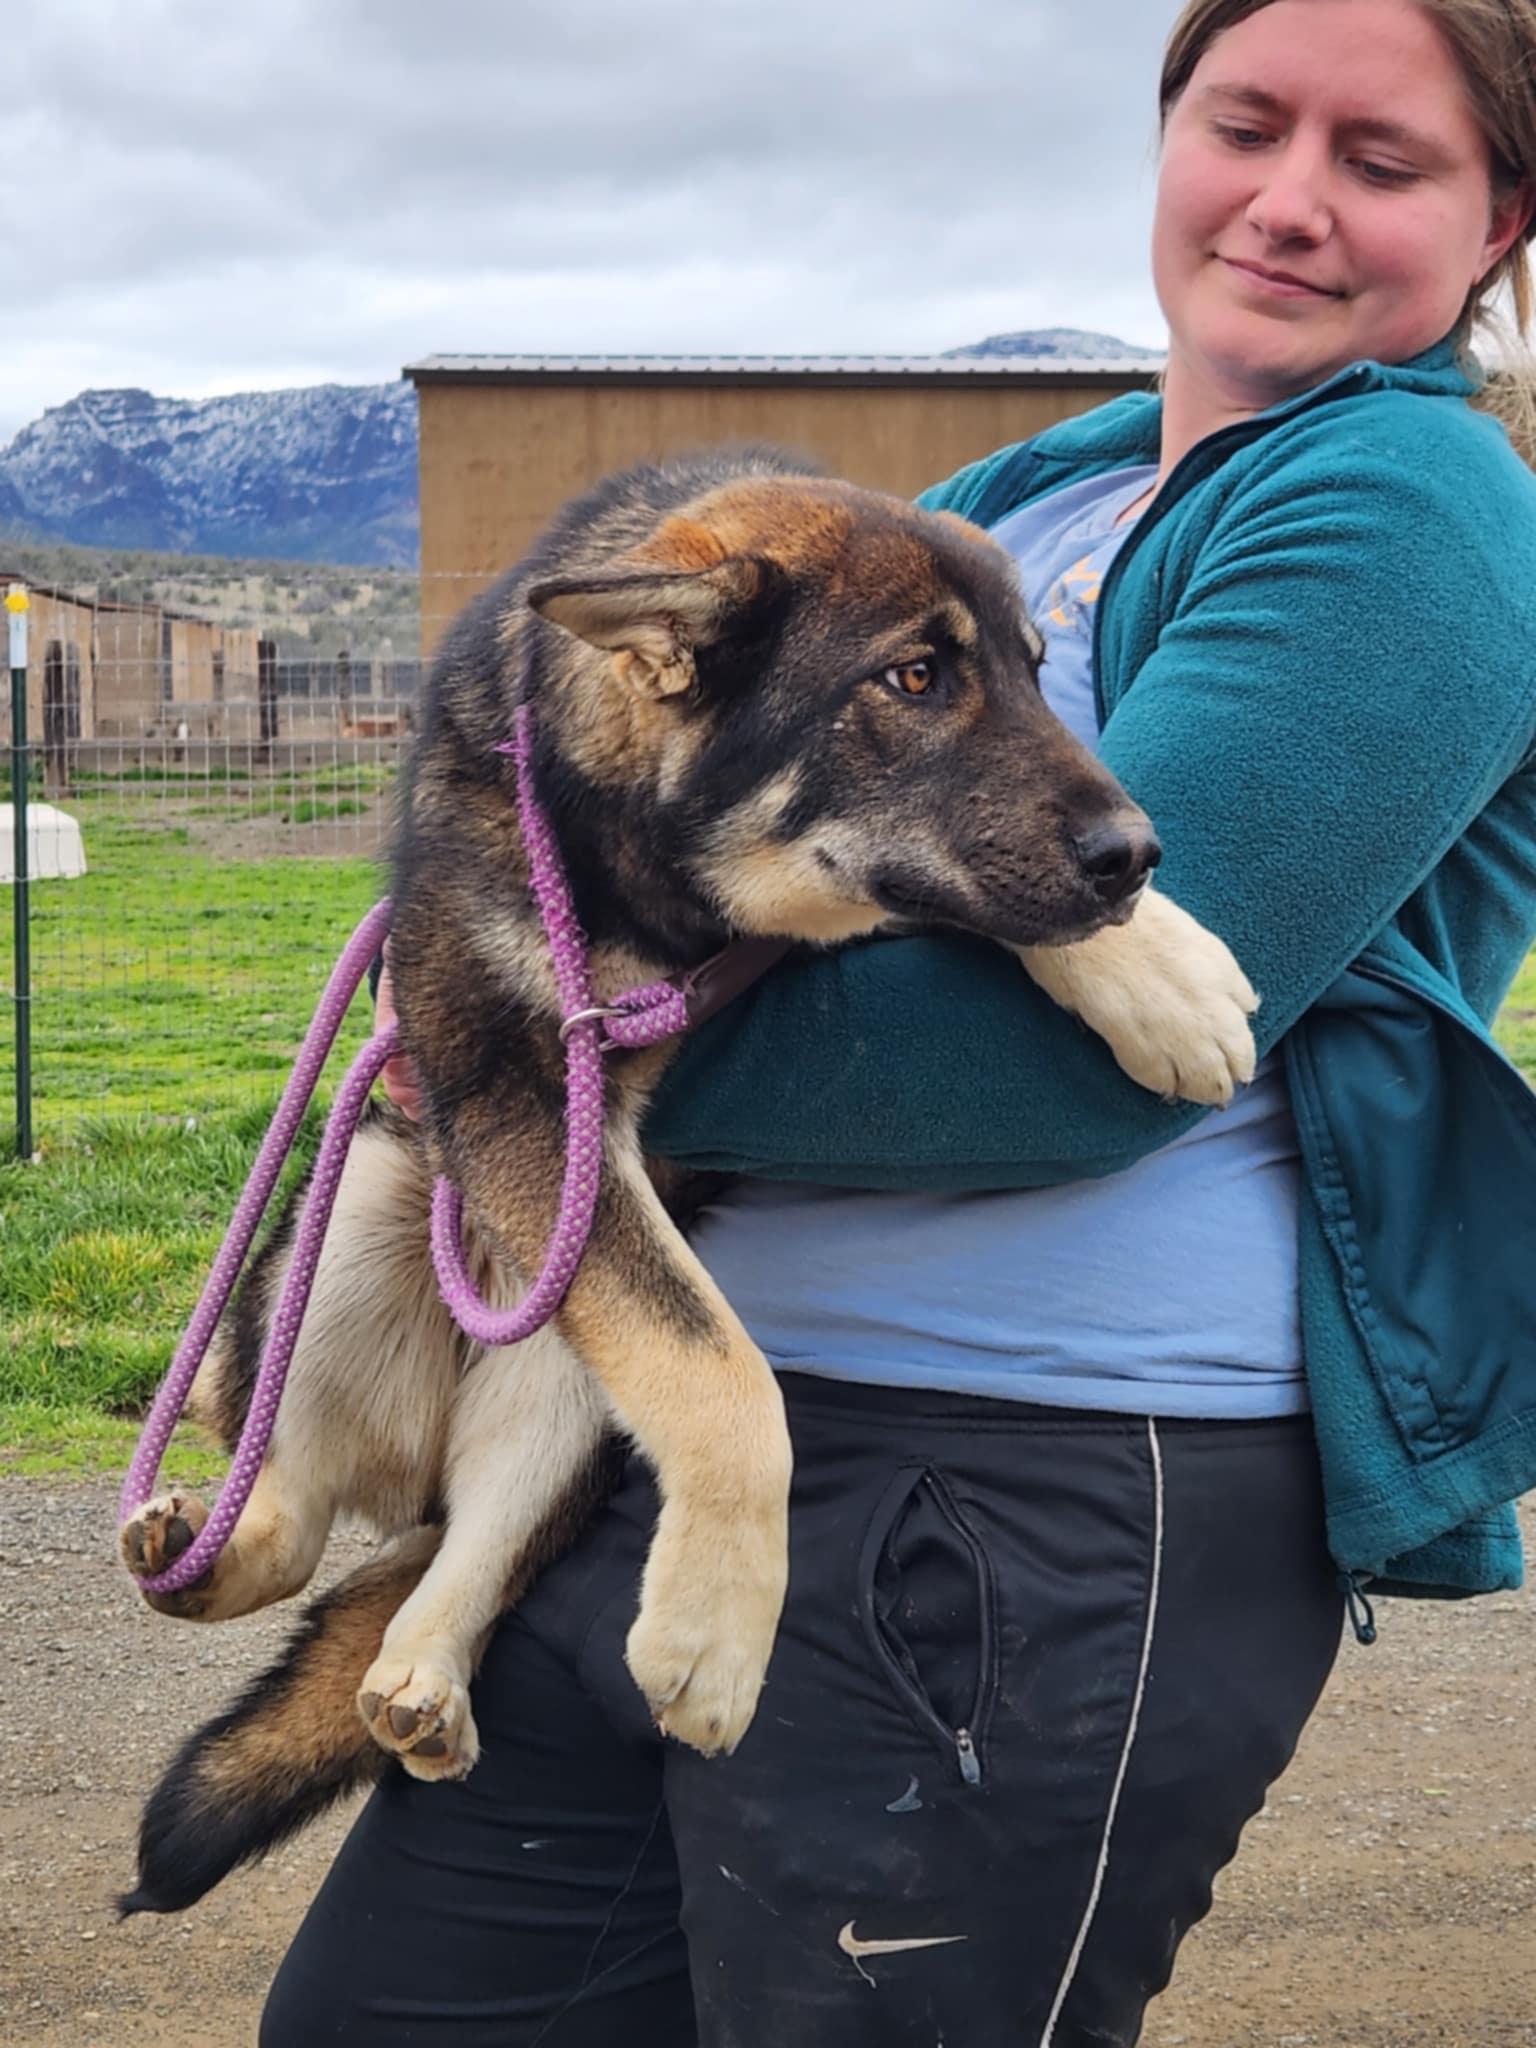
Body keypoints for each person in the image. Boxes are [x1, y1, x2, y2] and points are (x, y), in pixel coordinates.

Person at [263, 3, 1536, 2040]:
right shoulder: (1020, 503)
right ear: (1167, 144)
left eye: (1381, 163)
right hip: (696, 1430)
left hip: (1040, 1498)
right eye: (1245, 124)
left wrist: (512, 1070)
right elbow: (604, 854)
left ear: (1498, 225)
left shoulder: (1409, 508)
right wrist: (517, 1015)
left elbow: (1020, 1071)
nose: (1289, 202)